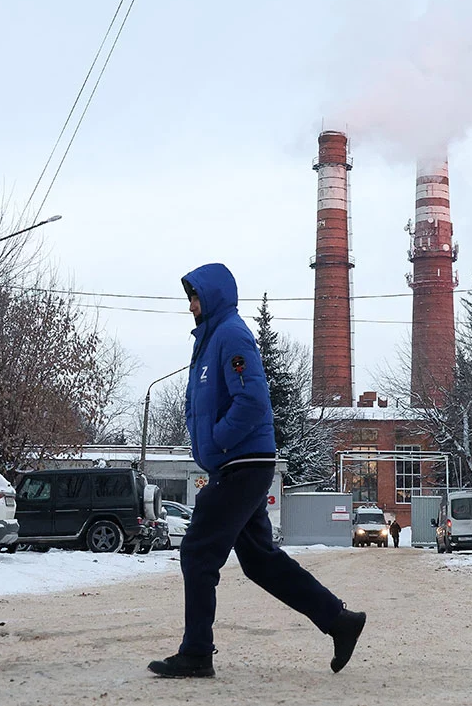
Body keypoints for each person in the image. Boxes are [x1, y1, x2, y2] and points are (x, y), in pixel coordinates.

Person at [148, 262, 366, 679]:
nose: (191, 306)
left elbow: (252, 401)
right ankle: (341, 622)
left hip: (242, 463)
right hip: (235, 463)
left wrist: (216, 440)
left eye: (194, 297)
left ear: (211, 296)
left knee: (197, 552)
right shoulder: (212, 339)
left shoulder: (231, 334)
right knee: (260, 561)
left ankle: (196, 652)